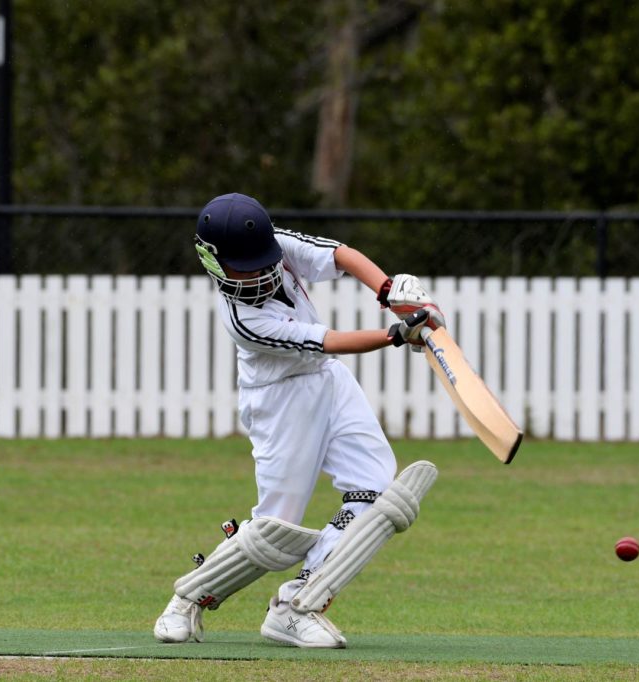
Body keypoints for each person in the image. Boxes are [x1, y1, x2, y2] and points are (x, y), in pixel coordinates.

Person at [154, 193, 444, 648]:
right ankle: (188, 599)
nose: (258, 273)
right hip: (280, 401)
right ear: (214, 263)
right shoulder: (242, 319)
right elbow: (325, 340)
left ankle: (295, 606)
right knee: (276, 529)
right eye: (244, 267)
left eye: (260, 262)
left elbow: (340, 255)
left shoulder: (278, 244)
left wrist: (391, 293)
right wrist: (395, 333)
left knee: (377, 490)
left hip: (328, 381)